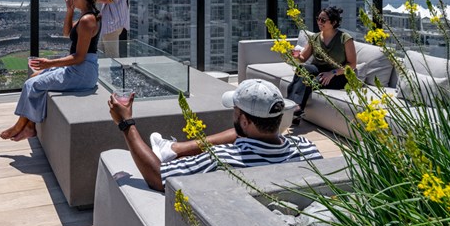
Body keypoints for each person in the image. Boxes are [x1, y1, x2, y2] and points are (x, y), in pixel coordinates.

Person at [107, 79, 322, 192]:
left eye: (236, 111)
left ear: (246, 120)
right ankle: (173, 149)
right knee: (243, 135)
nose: (233, 114)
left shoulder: (222, 159)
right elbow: (245, 135)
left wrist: (126, 123)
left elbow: (157, 177)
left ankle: (171, 150)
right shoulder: (308, 148)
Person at [0, 0, 101, 141]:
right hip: (80, 69)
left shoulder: (88, 20)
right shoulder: (86, 17)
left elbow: (80, 57)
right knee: (34, 76)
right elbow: (67, 33)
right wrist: (69, 11)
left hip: (82, 72)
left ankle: (21, 126)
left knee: (30, 84)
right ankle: (30, 126)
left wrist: (49, 63)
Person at [286, 5, 357, 122]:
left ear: (333, 22)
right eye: (318, 19)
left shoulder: (345, 38)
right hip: (318, 69)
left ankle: (293, 109)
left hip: (339, 75)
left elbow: (352, 64)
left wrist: (333, 73)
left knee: (311, 81)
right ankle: (295, 108)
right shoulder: (315, 38)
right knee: (302, 69)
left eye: (323, 20)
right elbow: (303, 58)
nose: (319, 22)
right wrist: (297, 56)